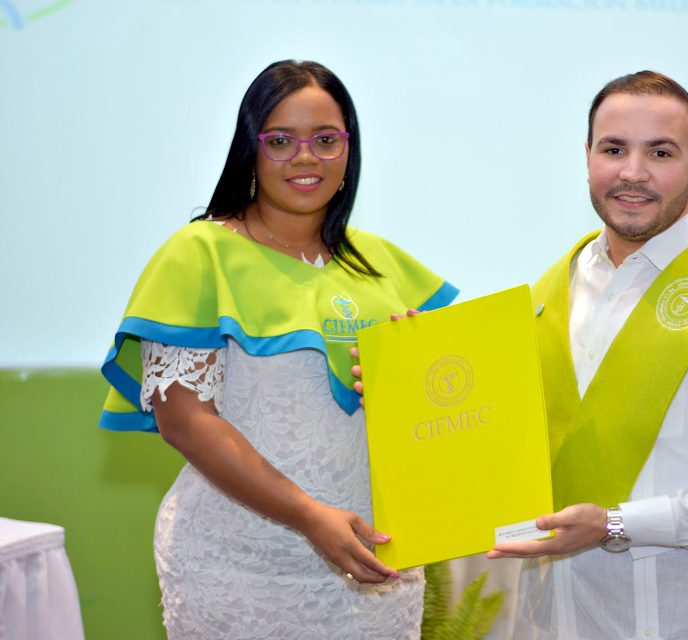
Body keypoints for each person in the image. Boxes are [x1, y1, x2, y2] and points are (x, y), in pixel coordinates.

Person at [98, 60, 457, 639]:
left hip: (378, 568)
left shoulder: (383, 263)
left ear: (349, 149)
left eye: (326, 140)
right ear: (251, 149)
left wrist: (416, 376)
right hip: (239, 573)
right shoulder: (199, 254)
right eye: (282, 141)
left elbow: (435, 413)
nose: (306, 157)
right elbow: (185, 422)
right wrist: (309, 517)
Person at [487, 71, 688, 639]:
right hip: (545, 622)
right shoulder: (555, 289)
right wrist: (411, 378)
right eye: (613, 149)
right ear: (587, 157)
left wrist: (617, 524)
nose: (632, 172)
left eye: (660, 152)